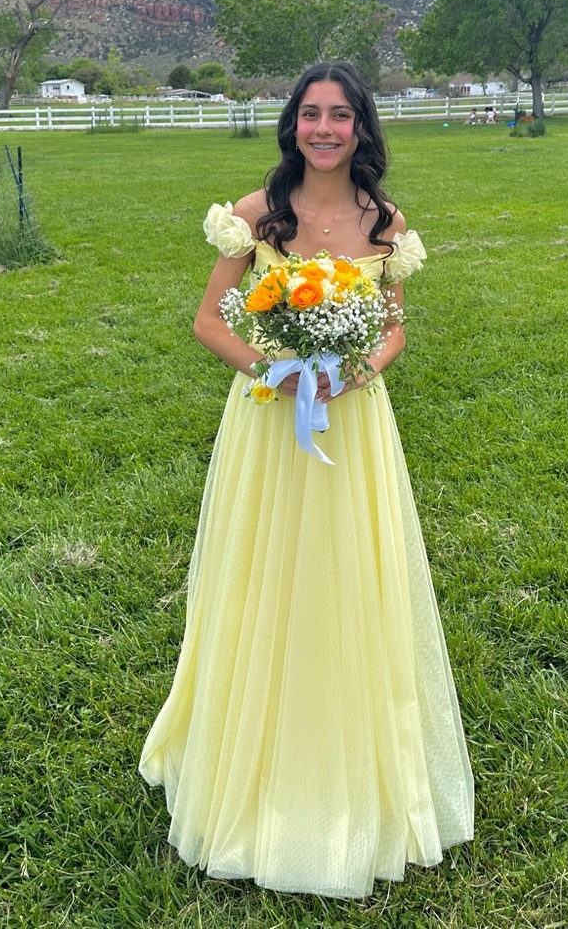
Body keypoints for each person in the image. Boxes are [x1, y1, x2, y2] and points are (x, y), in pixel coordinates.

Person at [139, 61, 475, 899]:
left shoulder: (385, 223)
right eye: (311, 114)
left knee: (351, 572)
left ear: (362, 127)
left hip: (352, 421)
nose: (325, 129)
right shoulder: (258, 214)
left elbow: (393, 331)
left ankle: (350, 745)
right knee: (263, 572)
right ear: (292, 124)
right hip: (269, 414)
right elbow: (208, 321)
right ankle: (251, 750)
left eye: (341, 115)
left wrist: (355, 372)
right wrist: (279, 371)